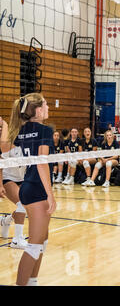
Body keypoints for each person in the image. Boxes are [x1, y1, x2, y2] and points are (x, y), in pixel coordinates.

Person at [7, 93, 56, 286]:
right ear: (37, 110)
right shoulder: (45, 131)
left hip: (29, 186)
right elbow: (42, 164)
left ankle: (32, 282)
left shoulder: (20, 131)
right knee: (35, 244)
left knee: (41, 240)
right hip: (37, 190)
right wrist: (51, 195)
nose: (48, 108)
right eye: (45, 104)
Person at [0, 117, 27, 249]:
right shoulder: (7, 144)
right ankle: (17, 239)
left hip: (22, 178)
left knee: (26, 206)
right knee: (22, 203)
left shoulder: (28, 143)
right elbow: (1, 165)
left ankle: (6, 220)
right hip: (7, 178)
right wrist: (0, 185)